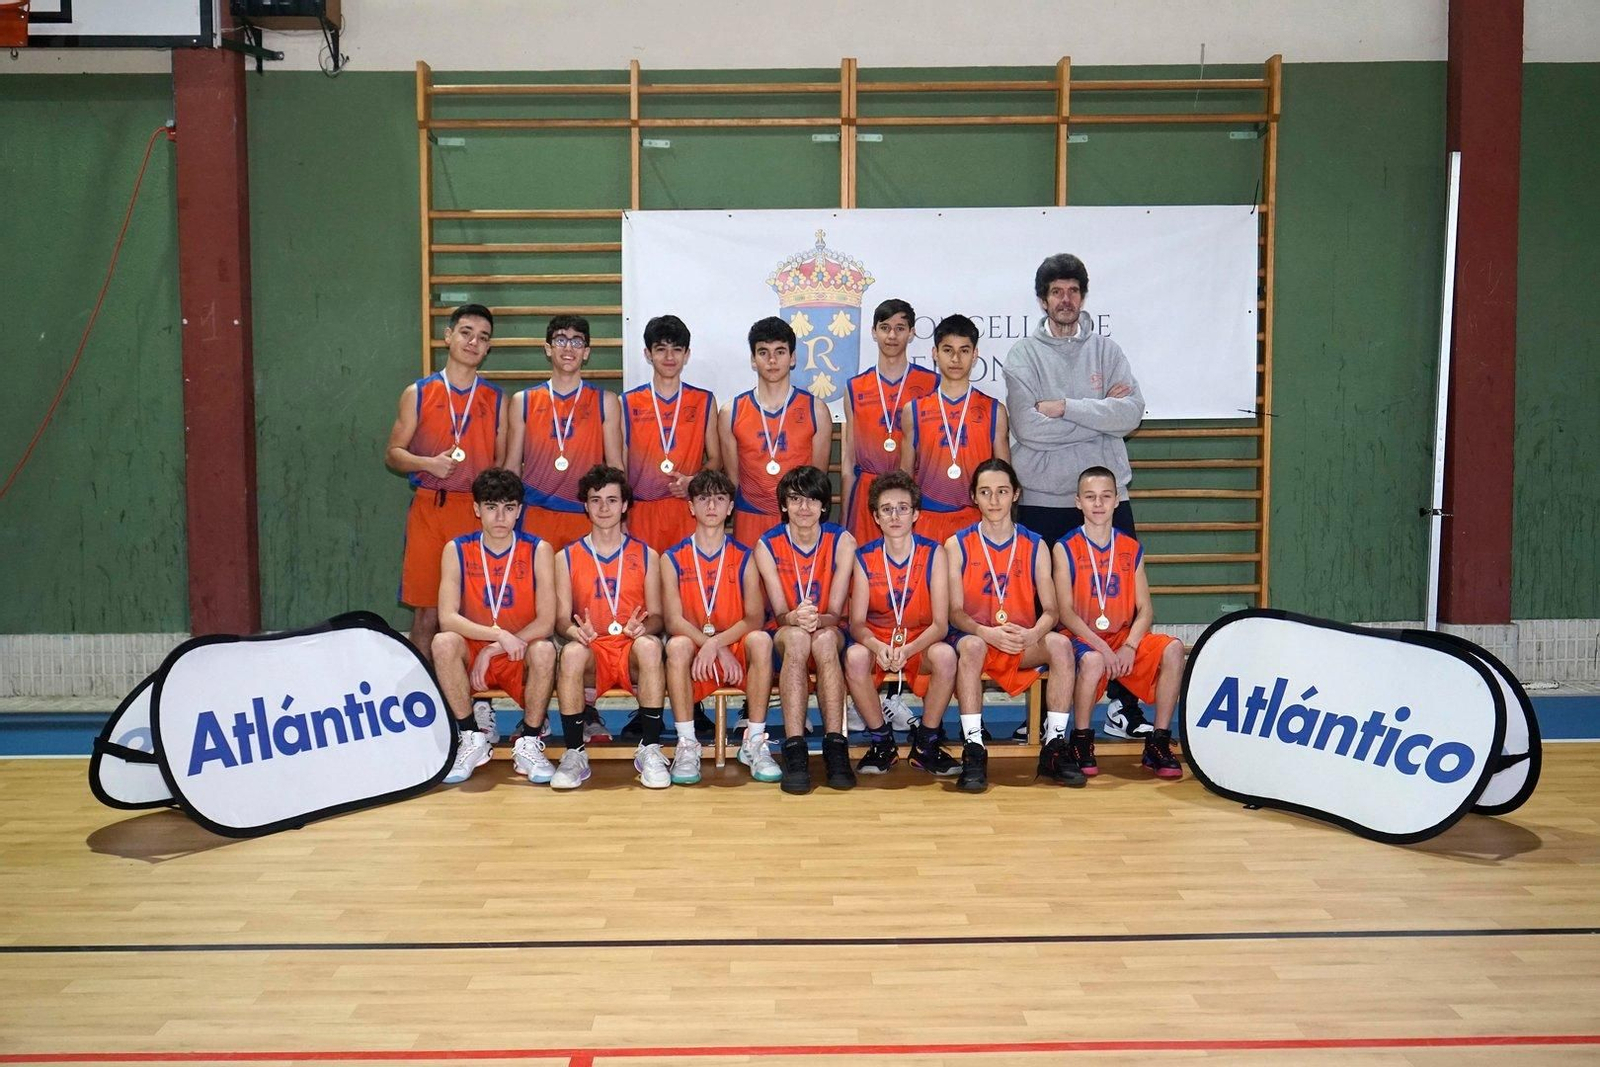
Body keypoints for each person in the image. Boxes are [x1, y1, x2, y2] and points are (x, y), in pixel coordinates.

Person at [1002, 253, 1152, 740]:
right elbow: (1029, 428)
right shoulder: (1024, 355)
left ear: (1083, 297)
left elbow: (1130, 414)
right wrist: (1097, 419)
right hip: (1044, 500)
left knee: (1121, 604)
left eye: (1073, 291)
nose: (1065, 300)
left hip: (1107, 499)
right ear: (1042, 299)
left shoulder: (1107, 351)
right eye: (1056, 292)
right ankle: (1046, 715)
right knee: (1043, 607)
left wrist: (1066, 407)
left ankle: (1124, 707)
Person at [947, 458, 1084, 787]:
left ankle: (1054, 745)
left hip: (1021, 640)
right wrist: (986, 633)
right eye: (985, 492)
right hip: (978, 639)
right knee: (972, 646)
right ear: (973, 497)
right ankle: (974, 748)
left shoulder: (1035, 544)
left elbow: (1051, 611)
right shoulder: (956, 544)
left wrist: (1033, 633)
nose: (994, 500)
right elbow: (954, 612)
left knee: (1060, 645)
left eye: (1002, 491)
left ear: (1016, 494)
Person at [384, 304, 506, 670]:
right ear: (448, 335)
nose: (473, 342)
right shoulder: (418, 393)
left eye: (482, 337)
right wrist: (427, 464)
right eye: (466, 332)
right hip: (431, 509)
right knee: (427, 611)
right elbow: (393, 454)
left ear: (488, 348)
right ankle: (423, 694)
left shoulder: (497, 399)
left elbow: (502, 464)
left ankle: (475, 695)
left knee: (477, 611)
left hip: (477, 513)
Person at [1052, 466, 1184, 780]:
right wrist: (1102, 648)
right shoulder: (1064, 547)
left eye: (1105, 496)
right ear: (1078, 502)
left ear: (1116, 501)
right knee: (1094, 660)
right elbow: (1065, 612)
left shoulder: (1131, 548)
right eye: (1090, 497)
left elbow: (1146, 609)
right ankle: (1081, 741)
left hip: (1121, 636)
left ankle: (1158, 742)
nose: (1098, 503)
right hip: (1081, 636)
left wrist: (1129, 646)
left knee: (1174, 649)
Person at [433, 467, 558, 785]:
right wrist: (498, 636)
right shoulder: (457, 549)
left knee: (545, 650)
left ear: (519, 510)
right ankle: (471, 737)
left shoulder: (538, 550)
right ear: (477, 509)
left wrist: (496, 647)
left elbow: (546, 621)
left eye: (508, 507)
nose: (500, 516)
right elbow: (447, 617)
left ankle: (529, 741)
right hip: (476, 649)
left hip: (519, 650)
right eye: (491, 507)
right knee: (443, 642)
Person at [660, 469, 779, 785]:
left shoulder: (745, 556)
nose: (711, 506)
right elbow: (673, 620)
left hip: (733, 646)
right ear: (691, 506)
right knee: (676, 644)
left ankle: (754, 740)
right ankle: (687, 744)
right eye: (703, 498)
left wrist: (719, 643)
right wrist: (710, 644)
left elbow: (754, 617)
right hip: (696, 648)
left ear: (730, 507)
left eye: (719, 498)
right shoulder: (672, 558)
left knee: (761, 640)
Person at [552, 464, 665, 790]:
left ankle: (651, 748)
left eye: (612, 500)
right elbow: (560, 620)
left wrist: (644, 628)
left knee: (650, 646)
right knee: (571, 653)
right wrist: (573, 632)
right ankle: (574, 753)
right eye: (596, 500)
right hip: (593, 650)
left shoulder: (647, 555)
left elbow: (658, 616)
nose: (604, 508)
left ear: (625, 505)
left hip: (630, 649)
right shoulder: (565, 557)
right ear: (585, 506)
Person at [844, 470, 960, 781]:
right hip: (879, 639)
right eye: (886, 509)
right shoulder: (863, 557)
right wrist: (877, 646)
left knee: (946, 656)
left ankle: (926, 744)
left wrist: (908, 649)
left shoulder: (934, 553)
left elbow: (940, 624)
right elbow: (856, 623)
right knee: (855, 656)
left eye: (903, 508)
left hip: (921, 638)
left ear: (916, 514)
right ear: (876, 517)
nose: (895, 516)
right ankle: (882, 742)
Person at [754, 465, 856, 795]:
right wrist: (797, 618)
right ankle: (794, 749)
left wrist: (816, 620)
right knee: (798, 639)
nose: (804, 507)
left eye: (812, 499)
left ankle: (835, 746)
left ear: (824, 505)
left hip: (828, 627)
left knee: (824, 642)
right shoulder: (767, 544)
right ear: (784, 505)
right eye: (795, 499)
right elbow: (779, 612)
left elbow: (836, 612)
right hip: (787, 630)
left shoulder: (842, 540)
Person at [507, 315, 624, 551]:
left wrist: (619, 519)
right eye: (561, 340)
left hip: (585, 515)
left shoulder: (606, 401)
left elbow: (615, 467)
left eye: (577, 342)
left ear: (586, 352)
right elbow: (511, 467)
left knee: (583, 577)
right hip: (534, 513)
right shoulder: (523, 401)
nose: (569, 348)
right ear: (548, 349)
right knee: (536, 576)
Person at [720, 317, 833, 550]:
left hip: (799, 519)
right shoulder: (731, 412)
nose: (772, 360)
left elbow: (817, 480)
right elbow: (733, 480)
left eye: (780, 352)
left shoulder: (816, 410)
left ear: (792, 358)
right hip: (750, 516)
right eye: (763, 352)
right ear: (753, 359)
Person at [902, 314, 1010, 547]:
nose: (955, 358)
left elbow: (1004, 478)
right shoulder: (914, 410)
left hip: (977, 520)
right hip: (927, 520)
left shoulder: (994, 410)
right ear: (935, 353)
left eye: (964, 350)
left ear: (975, 355)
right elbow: (905, 478)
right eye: (948, 350)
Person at [840, 299, 940, 547]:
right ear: (874, 332)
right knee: (864, 566)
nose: (892, 336)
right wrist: (844, 518)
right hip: (866, 497)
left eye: (900, 328)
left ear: (912, 332)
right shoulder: (855, 387)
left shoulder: (931, 384)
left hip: (911, 496)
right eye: (885, 328)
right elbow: (849, 461)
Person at [622, 314, 722, 554]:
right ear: (648, 353)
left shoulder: (704, 401)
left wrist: (694, 481)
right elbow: (620, 467)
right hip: (641, 511)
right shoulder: (627, 402)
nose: (669, 357)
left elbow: (717, 459)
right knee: (645, 578)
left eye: (676, 349)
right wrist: (621, 516)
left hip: (688, 509)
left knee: (687, 576)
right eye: (661, 349)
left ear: (686, 355)